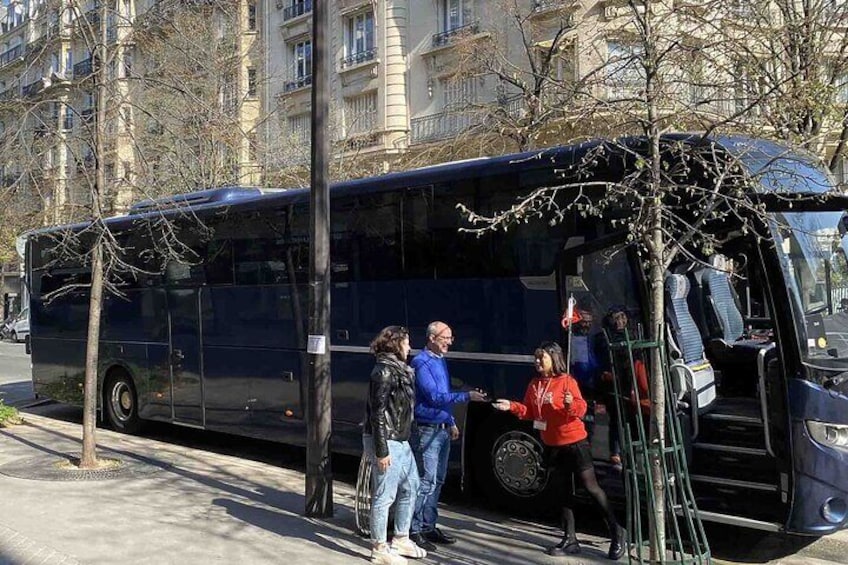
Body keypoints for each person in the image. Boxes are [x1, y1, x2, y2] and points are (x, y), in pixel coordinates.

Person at [492, 341, 626, 560]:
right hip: (551, 443)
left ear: (553, 358)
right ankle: (570, 538)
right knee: (563, 492)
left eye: (541, 358)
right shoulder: (535, 384)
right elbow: (529, 411)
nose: (537, 362)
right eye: (536, 358)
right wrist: (512, 407)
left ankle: (616, 531)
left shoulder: (567, 382)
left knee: (591, 488)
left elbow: (581, 409)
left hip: (575, 442)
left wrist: (570, 404)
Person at [409, 321, 487, 552]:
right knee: (426, 480)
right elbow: (434, 396)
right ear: (432, 338)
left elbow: (443, 395)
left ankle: (428, 525)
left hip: (441, 428)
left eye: (451, 338)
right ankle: (414, 530)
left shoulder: (440, 360)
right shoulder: (421, 362)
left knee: (438, 480)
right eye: (446, 338)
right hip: (427, 429)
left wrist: (451, 421)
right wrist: (466, 397)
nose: (450, 342)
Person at [363, 326, 428, 565]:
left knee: (412, 486)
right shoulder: (383, 372)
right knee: (384, 494)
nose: (409, 347)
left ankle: (401, 537)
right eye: (406, 342)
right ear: (395, 343)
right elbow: (377, 414)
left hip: (399, 438)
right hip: (387, 439)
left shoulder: (398, 369)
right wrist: (381, 450)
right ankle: (379, 547)